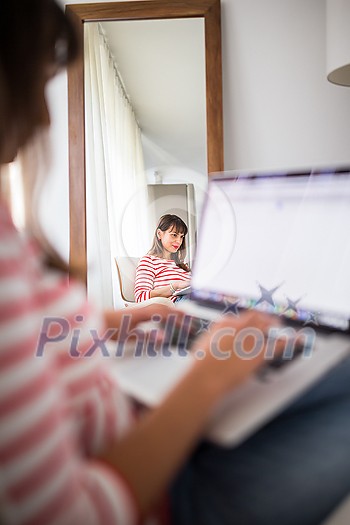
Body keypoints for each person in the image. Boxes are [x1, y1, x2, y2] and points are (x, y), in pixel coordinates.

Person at [2, 3, 350, 525]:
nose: (47, 116)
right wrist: (208, 376)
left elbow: (25, 339)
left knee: (319, 353)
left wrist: (105, 323)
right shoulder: (145, 262)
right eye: (34, 82)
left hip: (139, 415)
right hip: (160, 492)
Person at [134, 214, 191, 303]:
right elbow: (141, 297)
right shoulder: (149, 261)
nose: (179, 241)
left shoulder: (182, 266)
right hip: (177, 304)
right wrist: (175, 286)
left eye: (181, 237)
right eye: (174, 235)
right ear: (159, 234)